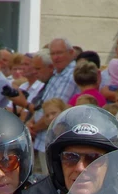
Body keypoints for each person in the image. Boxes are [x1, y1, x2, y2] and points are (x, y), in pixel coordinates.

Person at [27, 38, 80, 175]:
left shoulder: (71, 74)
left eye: (59, 53)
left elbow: (55, 112)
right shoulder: (57, 73)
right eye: (53, 54)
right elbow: (43, 104)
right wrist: (31, 123)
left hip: (53, 139)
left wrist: (34, 128)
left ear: (71, 52)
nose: (55, 57)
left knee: (51, 187)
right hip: (41, 141)